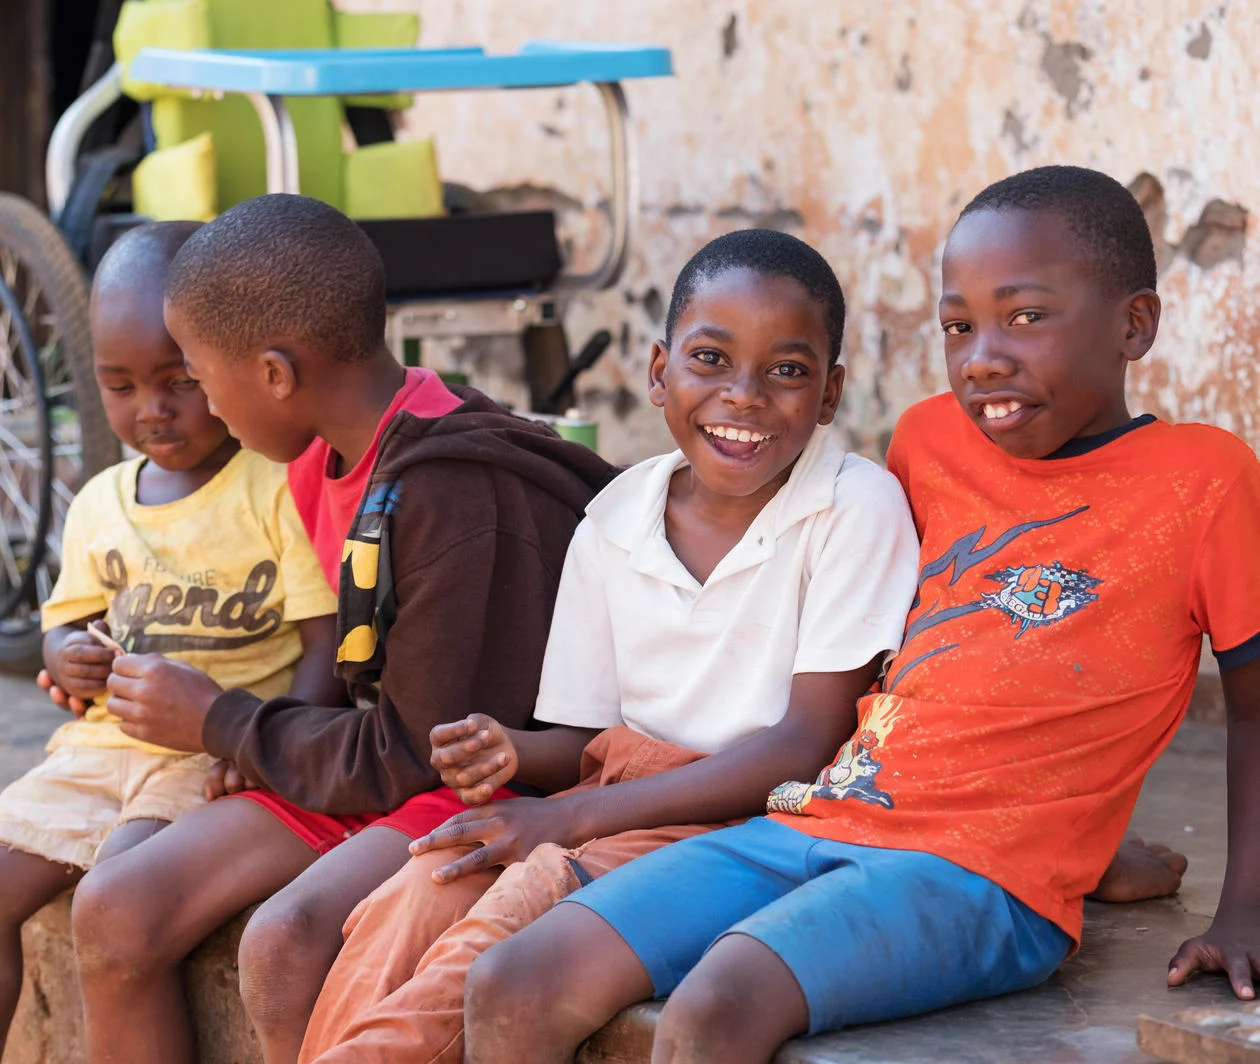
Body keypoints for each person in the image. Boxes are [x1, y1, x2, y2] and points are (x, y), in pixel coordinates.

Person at [461, 165, 1260, 1064]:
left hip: (982, 872)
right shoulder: (929, 440)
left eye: (1026, 316)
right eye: (958, 326)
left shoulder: (1207, 482)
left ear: (1135, 325)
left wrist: (1243, 909)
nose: (983, 355)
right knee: (512, 983)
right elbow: (966, 654)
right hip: (815, 817)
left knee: (716, 1007)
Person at [298, 228, 923, 1064]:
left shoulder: (854, 508)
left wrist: (566, 816)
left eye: (787, 370)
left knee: (499, 923)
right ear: (659, 371)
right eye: (710, 359)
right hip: (614, 803)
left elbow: (805, 746)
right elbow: (587, 744)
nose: (742, 395)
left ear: (831, 392)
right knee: (413, 891)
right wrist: (509, 751)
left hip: (746, 820)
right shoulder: (618, 516)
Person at [74, 194, 613, 1064]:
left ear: (276, 375)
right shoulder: (318, 458)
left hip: (474, 781)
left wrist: (223, 721)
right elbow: (355, 702)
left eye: (204, 377)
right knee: (114, 906)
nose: (203, 400)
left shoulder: (450, 495)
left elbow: (418, 757)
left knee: (285, 937)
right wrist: (247, 745)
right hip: (374, 756)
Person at [0, 222, 340, 1056]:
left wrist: (265, 747)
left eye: (177, 380)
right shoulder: (100, 501)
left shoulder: (269, 485)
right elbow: (66, 623)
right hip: (95, 750)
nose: (150, 410)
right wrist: (63, 654)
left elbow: (323, 642)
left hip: (202, 757)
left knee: (116, 898)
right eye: (119, 386)